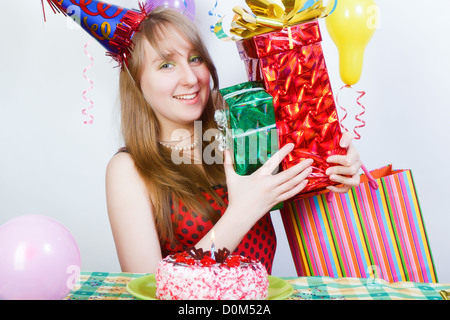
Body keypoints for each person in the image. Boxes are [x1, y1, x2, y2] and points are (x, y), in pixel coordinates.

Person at [105, 7, 362, 274]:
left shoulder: (240, 125)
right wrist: (243, 211)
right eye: (166, 65)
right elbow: (149, 287)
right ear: (136, 81)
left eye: (195, 59)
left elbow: (302, 186)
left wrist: (335, 166)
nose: (191, 78)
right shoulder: (127, 170)